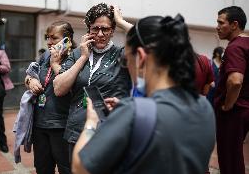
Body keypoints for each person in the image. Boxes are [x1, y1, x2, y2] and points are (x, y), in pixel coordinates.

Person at [72, 13, 216, 174]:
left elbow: (80, 167)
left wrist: (91, 122)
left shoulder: (134, 112)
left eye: (126, 60)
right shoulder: (204, 106)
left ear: (140, 58)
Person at [53, 3, 132, 157]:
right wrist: (83, 58)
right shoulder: (77, 54)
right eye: (95, 28)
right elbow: (59, 89)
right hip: (77, 132)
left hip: (109, 132)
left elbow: (145, 41)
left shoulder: (121, 55)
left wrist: (121, 21)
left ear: (113, 31)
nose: (100, 34)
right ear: (89, 30)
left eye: (106, 29)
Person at [24, 21, 76, 174]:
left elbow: (72, 87)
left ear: (68, 40)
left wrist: (55, 64)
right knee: (42, 167)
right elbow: (29, 75)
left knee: (66, 168)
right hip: (40, 123)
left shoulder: (77, 57)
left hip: (62, 125)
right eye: (47, 37)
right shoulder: (45, 55)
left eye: (54, 38)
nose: (49, 42)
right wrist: (30, 81)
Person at [214, 6, 249, 174]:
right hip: (244, 108)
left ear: (234, 24)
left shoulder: (235, 47)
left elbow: (235, 81)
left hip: (234, 112)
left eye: (221, 22)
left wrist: (227, 106)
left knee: (230, 162)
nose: (217, 26)